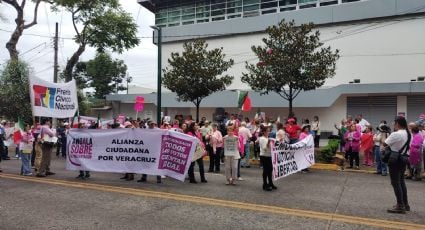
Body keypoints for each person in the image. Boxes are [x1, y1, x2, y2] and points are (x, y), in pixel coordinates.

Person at [384, 116, 411, 214]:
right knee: (401, 182)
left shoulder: (396, 134)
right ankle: (405, 204)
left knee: (395, 183)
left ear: (398, 124)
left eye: (394, 123)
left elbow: (384, 143)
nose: (393, 125)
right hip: (404, 159)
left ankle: (400, 206)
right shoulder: (408, 134)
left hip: (395, 160)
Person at [259, 125, 276, 191]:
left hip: (269, 156)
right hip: (264, 156)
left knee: (270, 170)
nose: (268, 132)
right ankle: (265, 184)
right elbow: (264, 148)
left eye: (269, 131)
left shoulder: (267, 138)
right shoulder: (262, 138)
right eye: (267, 131)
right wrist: (269, 142)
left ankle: (270, 183)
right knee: (266, 170)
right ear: (263, 132)